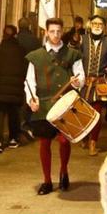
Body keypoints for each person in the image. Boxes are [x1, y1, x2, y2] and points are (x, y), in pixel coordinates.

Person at [25, 17, 84, 195]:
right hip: (44, 104)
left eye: (59, 31)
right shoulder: (35, 56)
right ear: (46, 32)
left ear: (62, 31)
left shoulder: (72, 54)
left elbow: (81, 77)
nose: (56, 35)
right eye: (52, 31)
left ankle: (64, 171)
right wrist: (31, 99)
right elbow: (29, 80)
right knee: (44, 142)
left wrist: (76, 82)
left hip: (66, 103)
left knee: (65, 141)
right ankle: (47, 181)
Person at [80, 14, 107, 156]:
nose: (97, 26)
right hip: (83, 85)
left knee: (97, 115)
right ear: (90, 25)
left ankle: (93, 143)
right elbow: (74, 58)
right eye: (94, 23)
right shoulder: (82, 41)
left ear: (103, 27)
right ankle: (83, 136)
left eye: (100, 24)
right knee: (84, 113)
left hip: (100, 84)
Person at [0, 25, 28, 152]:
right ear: (15, 35)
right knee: (14, 113)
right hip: (15, 89)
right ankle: (13, 139)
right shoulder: (21, 51)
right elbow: (26, 70)